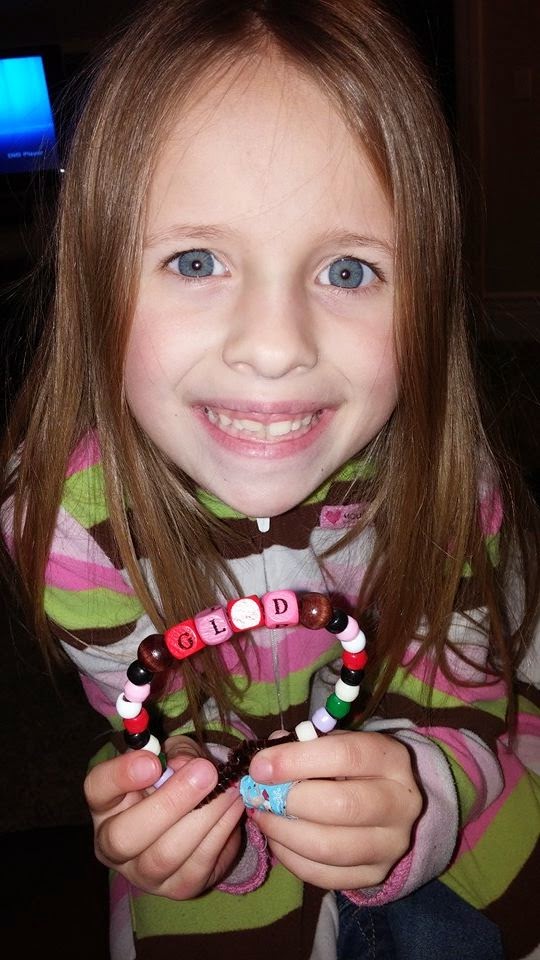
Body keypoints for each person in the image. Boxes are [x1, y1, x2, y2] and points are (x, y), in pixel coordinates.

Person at [1, 1, 539, 958]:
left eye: (348, 271)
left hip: (458, 791)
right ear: (96, 279)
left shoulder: (451, 481)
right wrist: (190, 822)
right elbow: (154, 722)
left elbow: (471, 683)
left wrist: (426, 789)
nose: (275, 346)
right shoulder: (73, 532)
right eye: (196, 260)